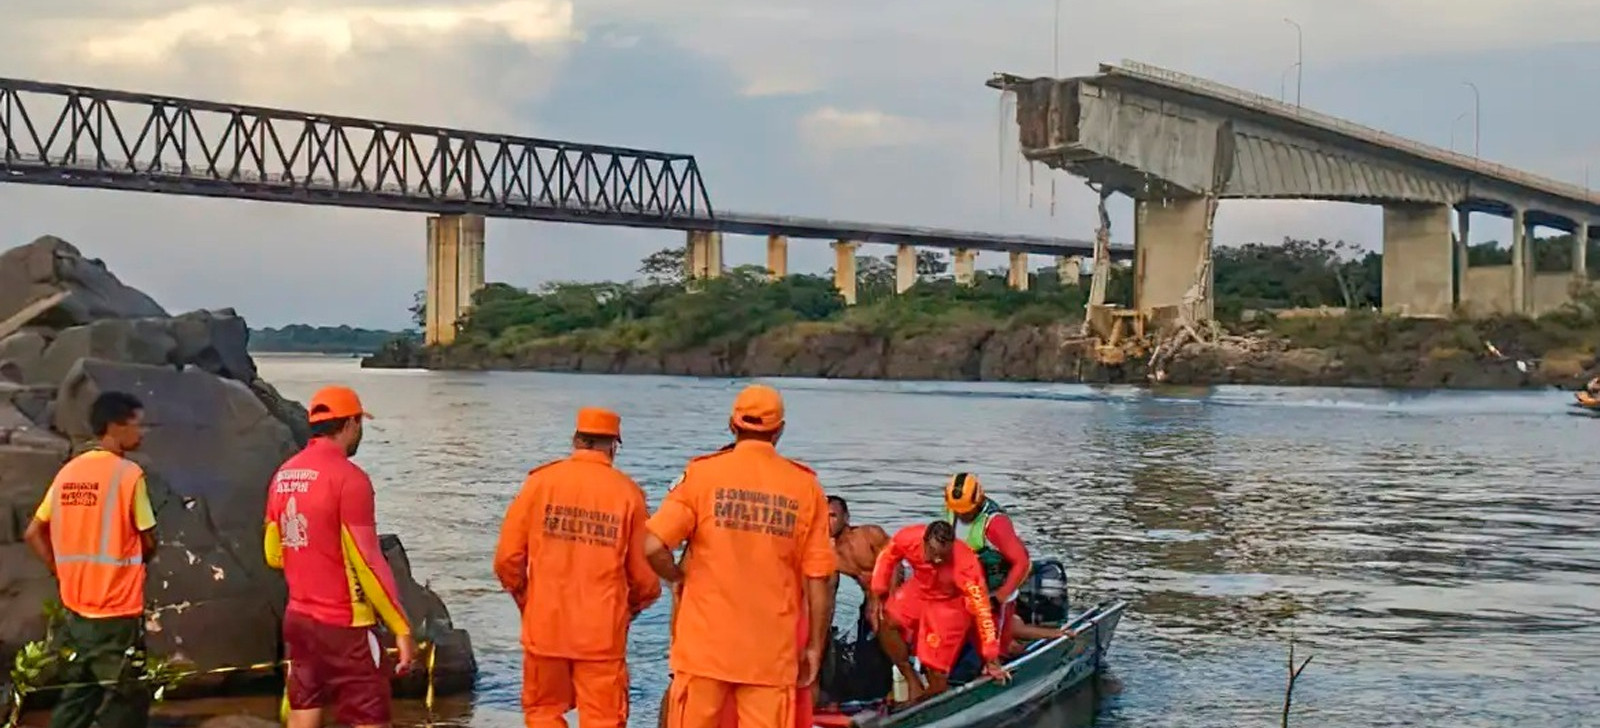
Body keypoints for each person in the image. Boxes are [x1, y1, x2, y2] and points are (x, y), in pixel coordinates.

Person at [644, 384, 835, 728]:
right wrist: (814, 649)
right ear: (779, 431)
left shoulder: (702, 475)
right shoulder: (805, 487)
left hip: (704, 648)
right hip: (770, 654)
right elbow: (818, 580)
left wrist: (676, 578)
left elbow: (652, 546)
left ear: (732, 425)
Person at [494, 407, 661, 728]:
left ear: (575, 440)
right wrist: (628, 610)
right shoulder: (628, 494)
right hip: (601, 634)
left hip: (545, 626)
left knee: (543, 712)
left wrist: (527, 600)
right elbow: (645, 579)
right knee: (603, 719)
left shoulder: (539, 483)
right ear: (614, 445)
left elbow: (507, 560)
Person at [264, 385, 417, 728]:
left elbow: (273, 553)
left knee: (304, 705)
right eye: (359, 423)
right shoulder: (349, 478)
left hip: (299, 620)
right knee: (368, 714)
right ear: (350, 424)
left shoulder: (284, 474)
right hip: (346, 625)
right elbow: (368, 561)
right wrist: (402, 628)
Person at [23, 391, 156, 728]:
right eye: (138, 425)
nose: (143, 434)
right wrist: (143, 557)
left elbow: (32, 533)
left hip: (76, 605)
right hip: (116, 608)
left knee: (81, 690)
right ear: (114, 426)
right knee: (130, 694)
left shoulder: (68, 473)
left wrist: (60, 571)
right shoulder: (128, 474)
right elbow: (148, 539)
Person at [870, 521, 1008, 703]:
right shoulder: (908, 538)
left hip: (949, 602)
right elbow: (888, 556)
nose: (937, 560)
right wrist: (878, 592)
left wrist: (991, 657)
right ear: (924, 541)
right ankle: (911, 679)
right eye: (933, 552)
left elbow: (982, 611)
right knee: (886, 619)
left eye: (943, 556)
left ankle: (927, 701)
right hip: (920, 588)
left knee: (934, 666)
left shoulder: (966, 565)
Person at [942, 473, 1031, 653]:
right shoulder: (953, 509)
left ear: (979, 500)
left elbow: (1021, 562)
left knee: (995, 647)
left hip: (996, 590)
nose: (961, 515)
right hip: (967, 588)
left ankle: (1008, 650)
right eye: (957, 511)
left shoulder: (995, 523)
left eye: (966, 512)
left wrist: (1000, 597)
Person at [827, 495, 890, 622]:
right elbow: (829, 593)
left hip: (894, 592)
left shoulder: (870, 534)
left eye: (833, 516)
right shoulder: (829, 554)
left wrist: (882, 600)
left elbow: (895, 564)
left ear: (845, 518)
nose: (826, 522)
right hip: (868, 599)